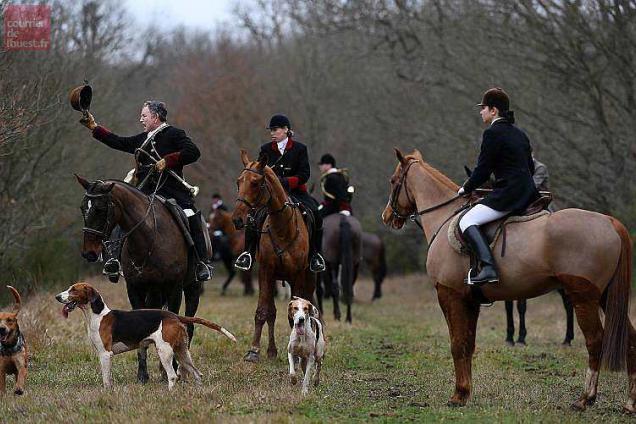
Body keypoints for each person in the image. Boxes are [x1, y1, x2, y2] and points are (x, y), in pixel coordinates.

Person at [79, 100, 213, 282]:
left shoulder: (174, 134)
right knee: (121, 214)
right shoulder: (142, 138)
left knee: (190, 215)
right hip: (144, 193)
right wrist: (94, 128)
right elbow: (118, 142)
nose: (140, 119)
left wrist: (168, 160)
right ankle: (114, 261)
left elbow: (193, 152)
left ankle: (200, 263)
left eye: (144, 116)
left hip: (171, 191)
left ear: (156, 117)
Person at [457, 88, 539, 285]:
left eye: (483, 108)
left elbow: (483, 170)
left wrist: (466, 188)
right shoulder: (520, 134)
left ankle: (488, 268)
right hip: (529, 193)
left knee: (466, 221)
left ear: (494, 111)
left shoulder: (492, 133)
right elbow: (530, 167)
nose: (481, 112)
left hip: (509, 195)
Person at [234, 114, 326, 273]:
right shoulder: (265, 149)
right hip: (271, 195)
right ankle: (248, 252)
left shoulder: (300, 148)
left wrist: (285, 182)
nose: (272, 133)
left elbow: (304, 175)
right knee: (253, 215)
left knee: (316, 214)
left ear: (286, 130)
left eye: (275, 130)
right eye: (271, 130)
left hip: (296, 192)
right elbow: (258, 173)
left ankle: (315, 255)